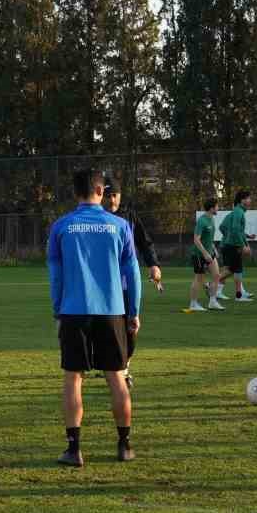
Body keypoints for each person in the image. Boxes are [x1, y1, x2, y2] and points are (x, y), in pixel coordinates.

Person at [47, 168, 143, 467]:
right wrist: (134, 311)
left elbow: (56, 276)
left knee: (73, 377)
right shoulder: (119, 226)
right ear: (101, 192)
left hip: (74, 310)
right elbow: (133, 274)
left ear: (76, 193)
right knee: (116, 376)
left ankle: (74, 449)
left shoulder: (61, 227)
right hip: (112, 310)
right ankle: (124, 445)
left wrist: (57, 310)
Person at [105, 182, 161, 387]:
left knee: (131, 324)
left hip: (127, 280)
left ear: (120, 196)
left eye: (115, 195)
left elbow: (144, 242)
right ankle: (110, 366)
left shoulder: (129, 215)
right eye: (107, 195)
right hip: (103, 283)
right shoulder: (95, 219)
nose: (111, 200)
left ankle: (125, 366)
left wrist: (153, 264)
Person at [217, 190, 257, 301]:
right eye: (249, 198)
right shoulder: (238, 212)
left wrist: (247, 237)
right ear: (242, 200)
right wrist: (242, 244)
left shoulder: (237, 212)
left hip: (230, 244)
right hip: (233, 245)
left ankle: (235, 293)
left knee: (232, 269)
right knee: (235, 269)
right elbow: (235, 230)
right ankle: (237, 294)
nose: (250, 201)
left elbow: (232, 229)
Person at [188, 197, 224, 311]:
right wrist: (205, 253)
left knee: (217, 275)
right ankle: (193, 304)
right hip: (199, 254)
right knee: (199, 279)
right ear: (212, 208)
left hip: (210, 253)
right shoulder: (202, 221)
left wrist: (213, 249)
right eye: (217, 206)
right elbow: (196, 240)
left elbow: (209, 238)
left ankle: (212, 301)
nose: (218, 208)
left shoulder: (211, 219)